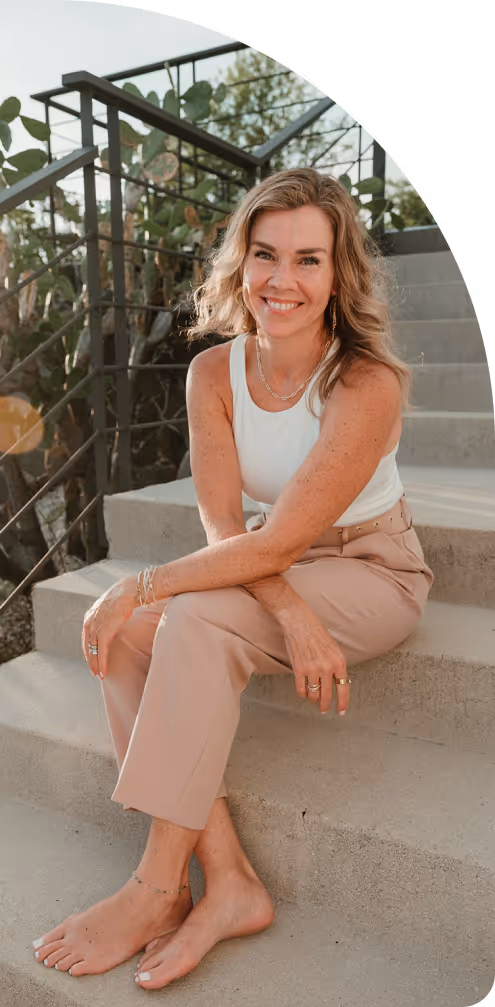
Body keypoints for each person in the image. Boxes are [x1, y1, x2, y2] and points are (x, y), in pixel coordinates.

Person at [31, 167, 434, 991]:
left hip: (371, 566)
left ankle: (153, 888)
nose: (282, 280)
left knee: (181, 617)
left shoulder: (366, 383)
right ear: (239, 262)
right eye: (264, 254)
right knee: (127, 638)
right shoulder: (214, 373)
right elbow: (228, 526)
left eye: (308, 259)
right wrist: (280, 602)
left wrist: (139, 584)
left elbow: (277, 535)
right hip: (270, 560)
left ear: (338, 273)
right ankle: (223, 878)